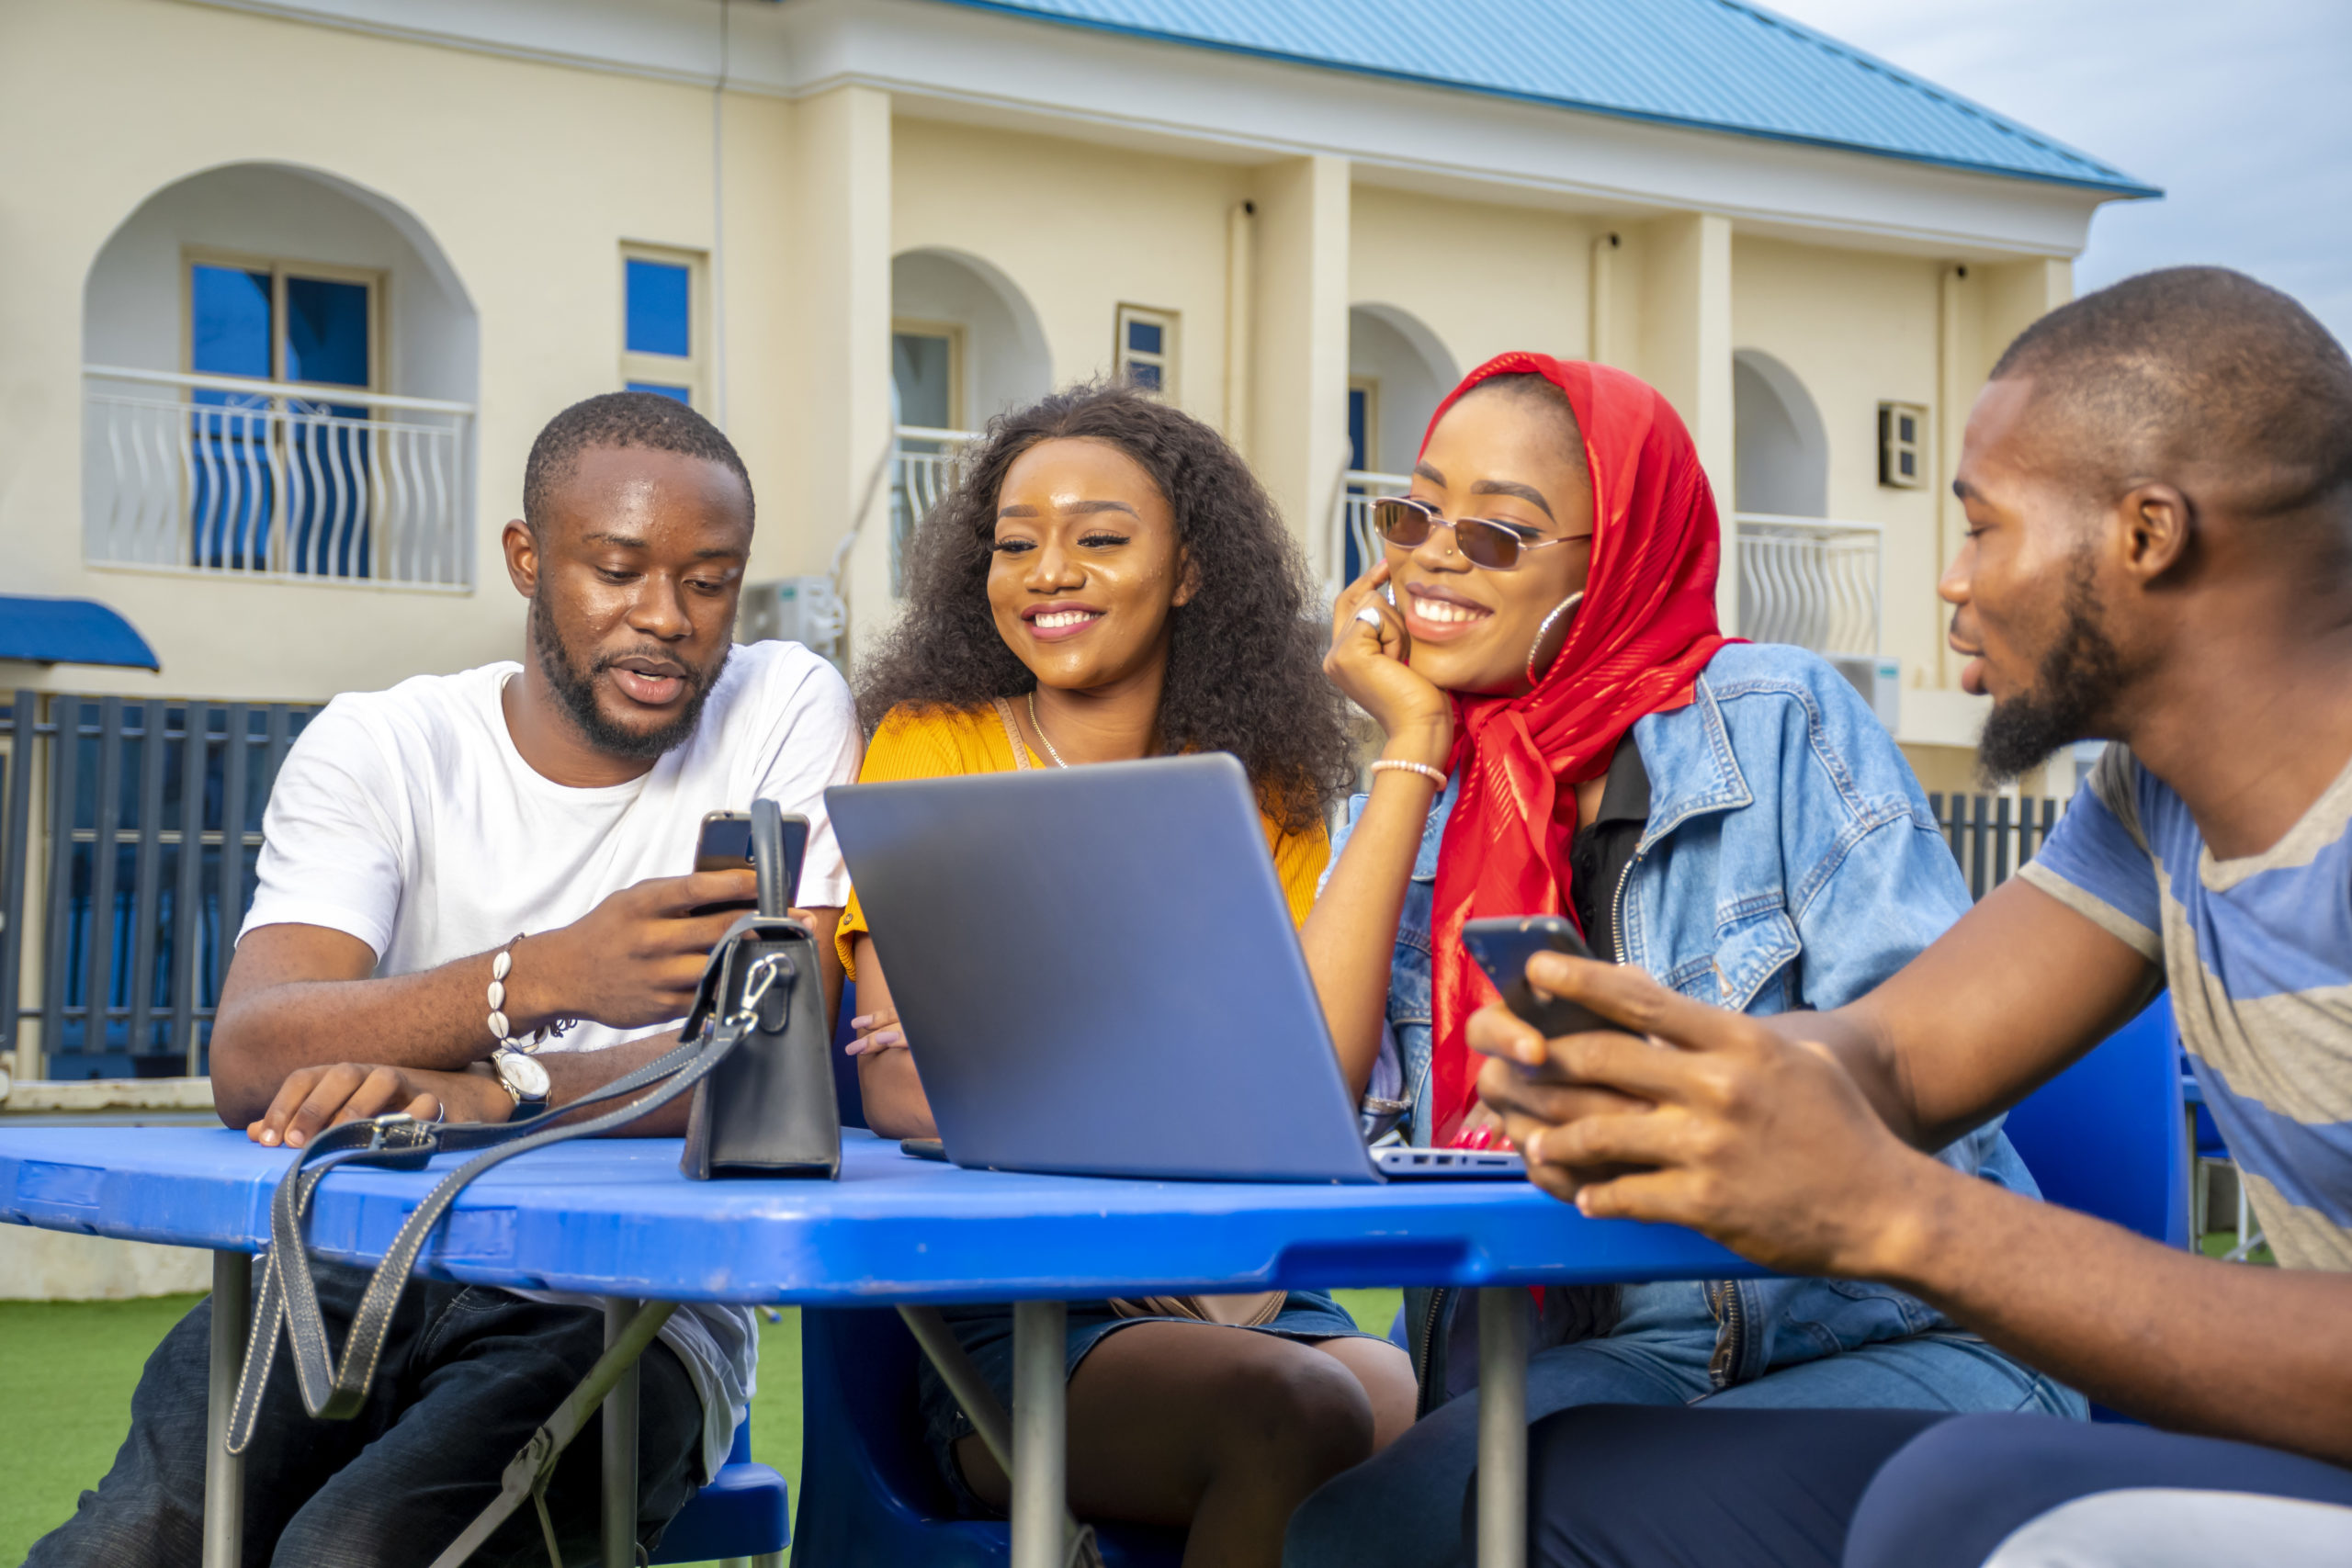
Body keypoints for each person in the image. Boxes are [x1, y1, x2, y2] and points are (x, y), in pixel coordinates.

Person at [1471, 268, 2352, 1566]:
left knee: (1962, 1507)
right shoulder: (2152, 805)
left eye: (1985, 527)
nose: (1951, 582)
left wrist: (1905, 1216)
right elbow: (1900, 1054)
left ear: (2147, 533)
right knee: (1544, 1488)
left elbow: (1903, 1179)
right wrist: (1670, 1073)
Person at [28, 391, 861, 1568]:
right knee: (126, 1549)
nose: (665, 618)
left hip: (628, 1305)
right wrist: (545, 975)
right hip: (340, 1267)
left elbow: (772, 1071)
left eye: (708, 581)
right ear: (527, 560)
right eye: (615, 571)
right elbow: (255, 1054)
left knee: (353, 1554)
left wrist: (499, 1092)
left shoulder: (781, 706)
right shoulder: (383, 745)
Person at [1283, 354, 2079, 1568]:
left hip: (1880, 1332)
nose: (1433, 554)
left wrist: (1660, 1087)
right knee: (1361, 1531)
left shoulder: (1777, 717)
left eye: (1497, 533)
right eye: (1413, 513)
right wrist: (1410, 746)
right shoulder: (1428, 788)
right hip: (1579, 1351)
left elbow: (1928, 1063)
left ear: (1612, 562)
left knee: (1529, 1519)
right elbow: (1306, 1101)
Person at [839, 379, 1408, 1568]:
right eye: (1015, 542)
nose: (1049, 569)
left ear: (1189, 570)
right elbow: (895, 1083)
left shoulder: (1270, 794)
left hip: (1246, 1286)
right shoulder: (931, 745)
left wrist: (1029, 1063)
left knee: (1439, 1418)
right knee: (1296, 1412)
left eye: (1100, 537)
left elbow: (1309, 1085)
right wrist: (1177, 1095)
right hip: (1034, 1310)